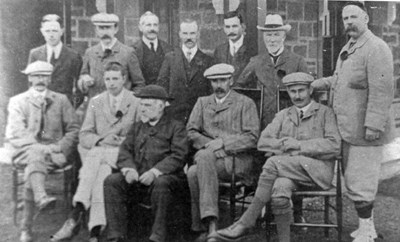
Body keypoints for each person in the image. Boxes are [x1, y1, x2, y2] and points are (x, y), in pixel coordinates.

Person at [214, 72, 341, 242]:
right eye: (292, 91)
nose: (297, 96)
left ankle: (246, 222)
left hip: (318, 172)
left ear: (310, 90)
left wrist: (299, 145)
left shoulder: (325, 113)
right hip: (288, 171)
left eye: (301, 90)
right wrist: (286, 148)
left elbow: (335, 145)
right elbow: (263, 142)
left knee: (273, 162)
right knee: (279, 191)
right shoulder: (284, 115)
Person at [312, 2, 395, 241]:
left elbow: (382, 90)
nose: (348, 22)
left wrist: (373, 125)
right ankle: (364, 225)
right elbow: (342, 80)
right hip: (348, 128)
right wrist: (320, 83)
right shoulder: (349, 47)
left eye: (353, 17)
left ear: (366, 18)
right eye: (345, 18)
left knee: (362, 181)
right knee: (354, 178)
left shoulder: (376, 48)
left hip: (365, 129)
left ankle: (368, 231)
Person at [50, 62, 141, 242]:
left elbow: (140, 135)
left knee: (95, 157)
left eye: (115, 78)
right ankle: (95, 230)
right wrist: (100, 140)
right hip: (103, 156)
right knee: (102, 175)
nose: (111, 83)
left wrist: (118, 141)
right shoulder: (96, 102)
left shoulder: (136, 101)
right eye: (107, 79)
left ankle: (75, 214)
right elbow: (84, 134)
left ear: (124, 79)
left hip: (124, 155)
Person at [5, 61, 80, 242]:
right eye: (36, 76)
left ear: (50, 78)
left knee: (34, 164)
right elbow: (16, 133)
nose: (40, 79)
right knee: (34, 157)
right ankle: (41, 197)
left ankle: (26, 227)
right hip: (25, 151)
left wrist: (58, 147)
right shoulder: (17, 101)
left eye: (44, 76)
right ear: (29, 78)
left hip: (55, 152)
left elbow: (74, 129)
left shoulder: (61, 100)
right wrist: (41, 149)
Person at [103, 85, 189, 242]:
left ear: (161, 106)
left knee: (161, 183)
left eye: (147, 105)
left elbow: (179, 156)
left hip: (168, 181)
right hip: (139, 179)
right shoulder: (136, 127)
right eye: (141, 104)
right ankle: (116, 236)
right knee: (112, 181)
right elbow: (124, 151)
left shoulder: (176, 127)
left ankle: (157, 236)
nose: (142, 109)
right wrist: (129, 169)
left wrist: (154, 172)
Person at [186, 63, 260, 242]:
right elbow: (191, 132)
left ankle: (208, 226)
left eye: (222, 81)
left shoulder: (245, 103)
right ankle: (207, 226)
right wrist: (212, 145)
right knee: (193, 172)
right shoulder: (202, 103)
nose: (218, 85)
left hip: (237, 160)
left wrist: (224, 144)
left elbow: (252, 137)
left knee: (199, 164)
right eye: (214, 81)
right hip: (210, 157)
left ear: (231, 81)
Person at [237, 14, 308, 129]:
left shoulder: (297, 61)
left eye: (276, 34)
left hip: (291, 125)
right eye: (268, 35)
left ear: (283, 37)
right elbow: (239, 89)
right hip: (263, 125)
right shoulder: (256, 61)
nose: (272, 39)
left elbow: (308, 93)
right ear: (264, 37)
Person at [157, 19, 213, 123]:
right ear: (180, 34)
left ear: (198, 34)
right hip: (174, 115)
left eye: (192, 33)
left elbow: (210, 90)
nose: (188, 37)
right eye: (185, 33)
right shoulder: (170, 58)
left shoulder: (207, 60)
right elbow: (161, 84)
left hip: (198, 116)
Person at [78, 13, 145, 98]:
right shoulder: (90, 53)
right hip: (96, 106)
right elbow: (83, 76)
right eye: (101, 28)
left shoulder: (128, 53)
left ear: (116, 29)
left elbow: (139, 84)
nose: (105, 32)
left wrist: (129, 103)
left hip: (120, 108)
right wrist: (84, 80)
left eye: (108, 28)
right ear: (96, 30)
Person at [28, 14, 83, 107]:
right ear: (42, 31)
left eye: (55, 31)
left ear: (62, 31)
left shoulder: (73, 56)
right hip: (41, 109)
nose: (51, 35)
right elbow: (31, 84)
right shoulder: (35, 54)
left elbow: (79, 89)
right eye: (48, 31)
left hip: (64, 110)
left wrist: (71, 108)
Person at [132, 11, 173, 85]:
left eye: (155, 25)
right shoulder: (133, 50)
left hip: (164, 95)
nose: (152, 29)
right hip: (143, 94)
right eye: (148, 25)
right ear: (140, 27)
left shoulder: (168, 49)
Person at [213, 11, 254, 83]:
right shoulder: (219, 51)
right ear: (224, 29)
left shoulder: (252, 50)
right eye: (227, 27)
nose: (231, 31)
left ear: (243, 27)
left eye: (234, 26)